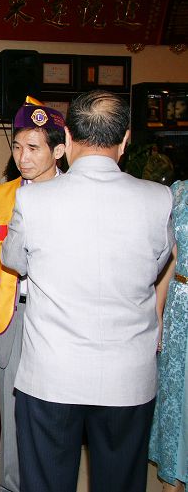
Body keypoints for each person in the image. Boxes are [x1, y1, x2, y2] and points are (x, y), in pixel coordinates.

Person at [1, 90, 173, 492]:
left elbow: (14, 260)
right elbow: (157, 264)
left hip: (52, 373)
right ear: (125, 139)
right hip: (127, 375)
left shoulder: (32, 199)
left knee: (46, 481)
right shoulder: (158, 198)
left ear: (68, 138)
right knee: (120, 481)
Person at [0, 98, 66, 492]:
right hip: (10, 320)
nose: (23, 157)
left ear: (58, 150)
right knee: (11, 417)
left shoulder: (75, 196)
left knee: (56, 416)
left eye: (34, 148)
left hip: (61, 322)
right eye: (17, 147)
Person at [150, 180, 188, 492]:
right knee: (176, 399)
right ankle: (173, 479)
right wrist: (158, 314)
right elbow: (169, 260)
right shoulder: (178, 192)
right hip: (180, 307)